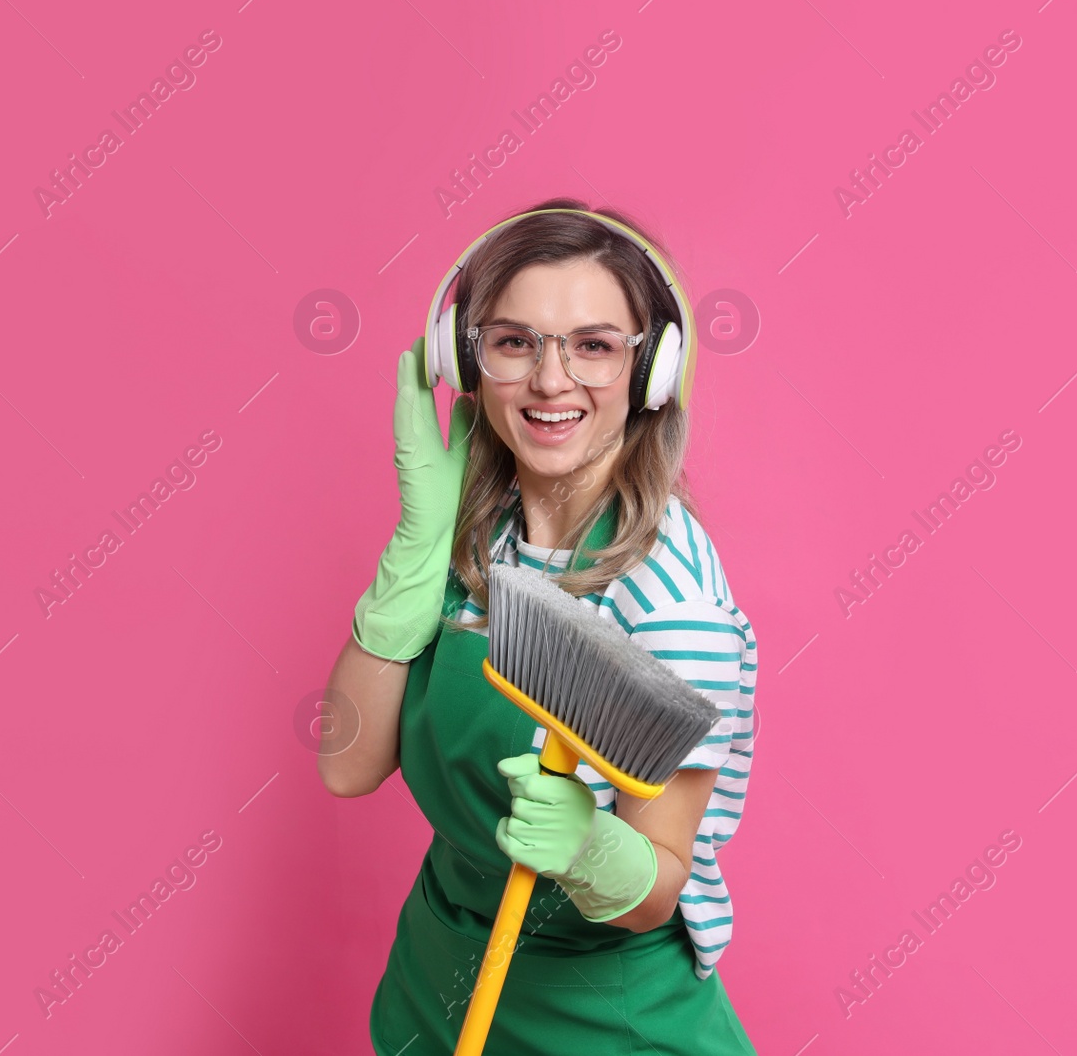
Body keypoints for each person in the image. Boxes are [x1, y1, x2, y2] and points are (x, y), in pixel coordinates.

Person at [319, 198, 758, 1054]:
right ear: (467, 356)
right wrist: (416, 549)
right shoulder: (483, 533)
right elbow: (346, 763)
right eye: (515, 341)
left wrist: (591, 847)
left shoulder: (671, 600)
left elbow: (655, 891)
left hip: (594, 1014)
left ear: (652, 371)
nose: (551, 381)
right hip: (441, 977)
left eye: (594, 346)